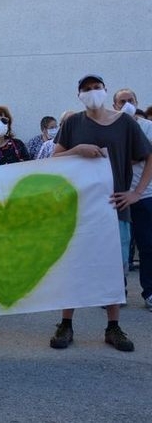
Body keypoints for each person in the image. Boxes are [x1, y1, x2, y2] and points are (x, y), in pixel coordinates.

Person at [50, 75, 152, 352]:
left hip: (114, 206)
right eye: (86, 89)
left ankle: (113, 326)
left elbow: (148, 155)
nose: (92, 92)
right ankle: (66, 323)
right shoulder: (73, 123)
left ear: (106, 91)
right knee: (72, 266)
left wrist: (136, 193)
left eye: (97, 88)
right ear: (79, 94)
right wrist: (76, 150)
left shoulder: (125, 122)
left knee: (112, 268)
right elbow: (54, 159)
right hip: (78, 207)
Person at [112, 88, 152, 310]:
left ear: (137, 102)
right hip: (119, 196)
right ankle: (119, 291)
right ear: (115, 105)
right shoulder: (112, 129)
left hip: (145, 195)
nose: (126, 103)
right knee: (119, 247)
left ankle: (150, 291)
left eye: (130, 100)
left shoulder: (148, 128)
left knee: (148, 245)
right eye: (121, 101)